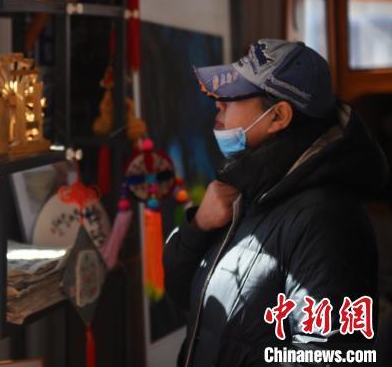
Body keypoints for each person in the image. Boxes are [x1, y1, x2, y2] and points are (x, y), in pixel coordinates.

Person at [164, 39, 389, 366]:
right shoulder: (248, 191)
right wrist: (197, 227)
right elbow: (184, 296)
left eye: (234, 95)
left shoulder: (326, 219)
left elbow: (328, 357)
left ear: (278, 116)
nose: (218, 103)